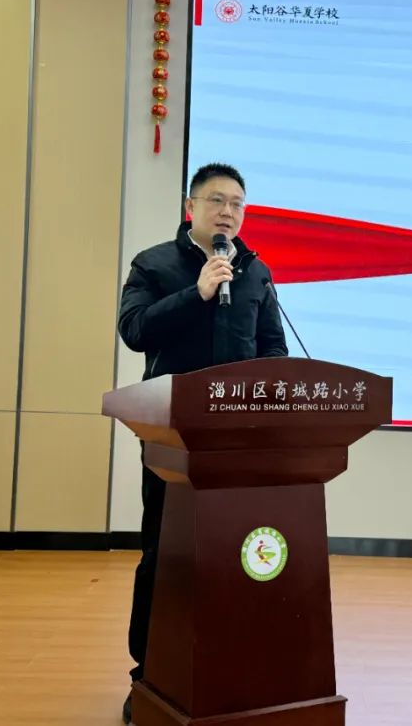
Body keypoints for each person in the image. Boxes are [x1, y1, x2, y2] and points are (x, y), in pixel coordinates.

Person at [115, 162, 288, 723]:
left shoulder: (255, 272)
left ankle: (227, 671)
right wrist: (197, 293)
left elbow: (273, 350)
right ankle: (149, 675)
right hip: (173, 440)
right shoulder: (154, 264)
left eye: (237, 204)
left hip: (237, 445)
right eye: (217, 201)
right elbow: (135, 330)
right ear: (191, 207)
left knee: (233, 558)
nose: (228, 213)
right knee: (165, 555)